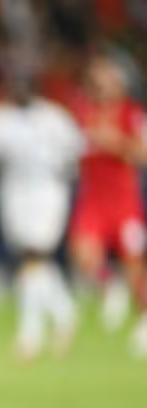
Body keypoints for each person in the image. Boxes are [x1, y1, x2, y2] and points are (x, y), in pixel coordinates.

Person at [0, 76, 83, 360]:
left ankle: (31, 333)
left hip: (47, 192)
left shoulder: (54, 117)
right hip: (15, 193)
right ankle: (63, 313)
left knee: (34, 257)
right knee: (29, 260)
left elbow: (76, 150)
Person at [68, 54, 147, 354]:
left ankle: (144, 320)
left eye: (106, 77)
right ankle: (108, 285)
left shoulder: (131, 114)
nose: (100, 84)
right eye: (96, 78)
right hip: (93, 199)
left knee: (134, 265)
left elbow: (142, 153)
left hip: (124, 200)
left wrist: (113, 142)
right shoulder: (83, 112)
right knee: (82, 253)